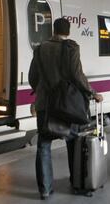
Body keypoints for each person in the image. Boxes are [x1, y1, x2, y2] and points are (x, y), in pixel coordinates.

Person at [29, 18, 103, 200]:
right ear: (68, 31)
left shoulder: (39, 49)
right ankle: (76, 183)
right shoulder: (71, 47)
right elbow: (77, 75)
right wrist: (93, 92)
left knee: (43, 146)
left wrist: (41, 93)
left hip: (45, 105)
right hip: (67, 106)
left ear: (53, 30)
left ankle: (45, 190)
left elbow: (33, 77)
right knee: (74, 144)